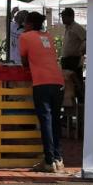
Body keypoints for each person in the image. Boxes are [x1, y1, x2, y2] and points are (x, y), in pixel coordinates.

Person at [21, 12, 66, 173]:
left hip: (41, 82)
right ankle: (58, 159)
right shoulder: (48, 37)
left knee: (45, 121)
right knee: (55, 121)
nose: (24, 26)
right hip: (58, 82)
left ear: (31, 24)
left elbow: (24, 61)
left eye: (25, 23)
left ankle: (49, 161)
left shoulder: (25, 37)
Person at [59, 7, 86, 99]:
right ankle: (69, 102)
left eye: (64, 16)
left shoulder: (77, 28)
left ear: (71, 17)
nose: (62, 19)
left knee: (77, 82)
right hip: (66, 59)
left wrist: (82, 51)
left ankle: (81, 102)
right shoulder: (67, 28)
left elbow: (86, 39)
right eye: (62, 16)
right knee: (67, 83)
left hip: (74, 59)